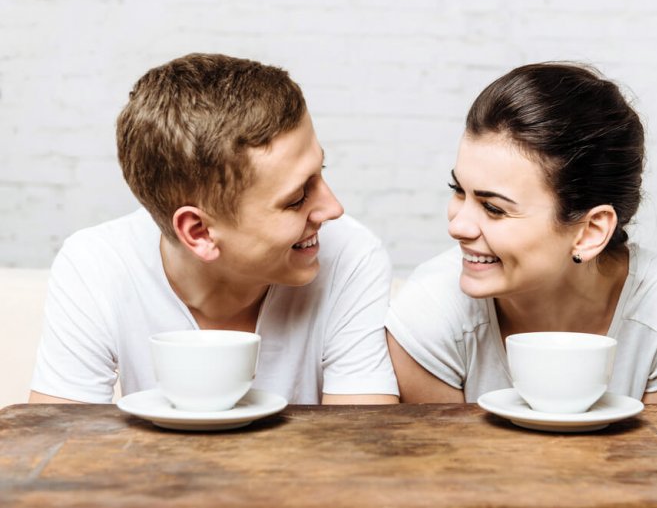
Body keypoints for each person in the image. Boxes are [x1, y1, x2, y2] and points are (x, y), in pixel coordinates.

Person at [29, 53, 399, 405]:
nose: (333, 208)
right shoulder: (96, 266)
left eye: (322, 171)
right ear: (199, 233)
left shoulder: (351, 256)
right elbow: (58, 449)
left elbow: (359, 451)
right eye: (296, 198)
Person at [385, 62, 657, 407]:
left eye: (494, 208)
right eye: (458, 190)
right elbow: (444, 463)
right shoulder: (428, 313)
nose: (457, 226)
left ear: (590, 231)